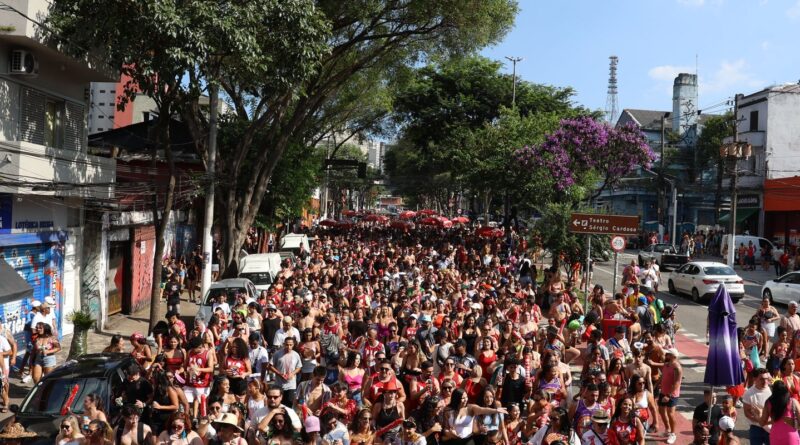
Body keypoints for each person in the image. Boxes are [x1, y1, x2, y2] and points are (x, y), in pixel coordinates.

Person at [760, 380, 800, 445]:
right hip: (791, 436)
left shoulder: (768, 403)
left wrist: (757, 414)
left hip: (775, 436)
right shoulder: (793, 402)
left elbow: (762, 423)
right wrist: (793, 421)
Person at [657, 348, 682, 444]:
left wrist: (668, 395)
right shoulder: (666, 365)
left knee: (670, 413)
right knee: (661, 410)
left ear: (674, 356)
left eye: (668, 354)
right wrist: (657, 385)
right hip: (663, 392)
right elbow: (663, 376)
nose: (666, 355)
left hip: (671, 394)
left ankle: (673, 433)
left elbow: (677, 383)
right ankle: (667, 429)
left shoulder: (677, 368)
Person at [743, 368, 772, 445]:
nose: (765, 381)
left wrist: (764, 420)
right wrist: (760, 421)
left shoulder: (771, 390)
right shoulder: (748, 394)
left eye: (766, 379)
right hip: (756, 428)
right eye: (762, 379)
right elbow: (747, 413)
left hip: (770, 427)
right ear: (755, 379)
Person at [269, 336, 302, 403]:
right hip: (279, 384)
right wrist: (279, 373)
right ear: (284, 344)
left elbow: (299, 367)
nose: (289, 347)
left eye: (290, 345)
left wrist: (292, 374)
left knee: (289, 403)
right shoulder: (277, 354)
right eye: (287, 345)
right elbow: (270, 366)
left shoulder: (296, 355)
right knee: (279, 403)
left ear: (293, 345)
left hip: (291, 385)